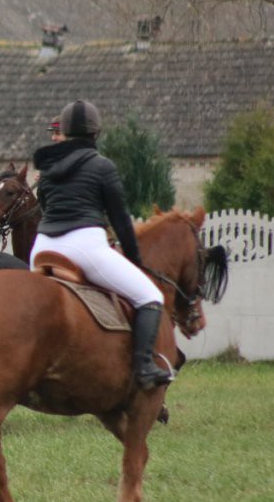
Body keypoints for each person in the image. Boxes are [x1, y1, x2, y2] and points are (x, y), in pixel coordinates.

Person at [30, 100, 170, 389]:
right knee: (150, 297)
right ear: (96, 133)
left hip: (41, 248)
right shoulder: (102, 166)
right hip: (84, 246)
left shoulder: (48, 169)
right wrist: (135, 260)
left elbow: (44, 206)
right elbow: (120, 220)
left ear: (65, 132)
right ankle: (143, 367)